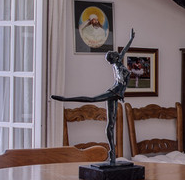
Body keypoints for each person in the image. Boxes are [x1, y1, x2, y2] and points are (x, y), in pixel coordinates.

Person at [52, 29, 136, 163]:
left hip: (117, 95)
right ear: (114, 58)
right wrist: (122, 85)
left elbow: (124, 50)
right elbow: (121, 81)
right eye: (114, 53)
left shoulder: (119, 61)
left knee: (111, 123)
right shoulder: (117, 66)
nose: (117, 53)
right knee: (93, 100)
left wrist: (131, 39)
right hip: (113, 92)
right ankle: (65, 99)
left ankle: (112, 152)